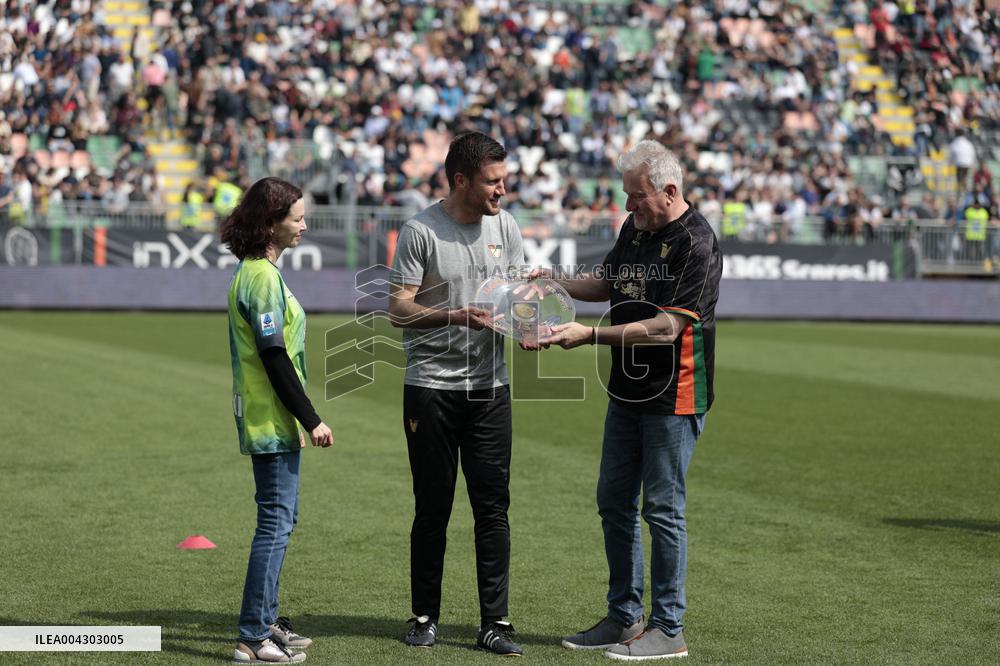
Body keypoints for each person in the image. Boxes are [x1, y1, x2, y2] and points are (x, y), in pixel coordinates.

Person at [534, 140, 722, 660]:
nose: (627, 204)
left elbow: (666, 329)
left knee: (662, 509)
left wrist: (589, 336)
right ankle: (624, 617)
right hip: (626, 391)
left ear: (669, 191)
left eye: (636, 195)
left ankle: (668, 628)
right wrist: (554, 282)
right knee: (614, 502)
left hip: (675, 394)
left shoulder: (696, 242)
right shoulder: (634, 228)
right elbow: (608, 282)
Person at [388, 132, 526, 656]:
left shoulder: (506, 226)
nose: (502, 191)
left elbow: (515, 299)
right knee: (433, 507)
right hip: (431, 389)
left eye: (504, 180)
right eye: (493, 182)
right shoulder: (421, 231)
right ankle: (425, 616)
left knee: (493, 508)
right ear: (462, 180)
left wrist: (529, 325)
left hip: (491, 389)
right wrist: (453, 315)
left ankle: (496, 623)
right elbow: (398, 308)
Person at [221, 177, 334, 664]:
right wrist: (310, 418)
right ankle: (252, 636)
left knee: (281, 519)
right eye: (297, 218)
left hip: (271, 416)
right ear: (271, 223)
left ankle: (265, 622)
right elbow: (273, 355)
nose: (304, 226)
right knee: (274, 524)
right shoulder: (262, 278)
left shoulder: (255, 271)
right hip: (269, 417)